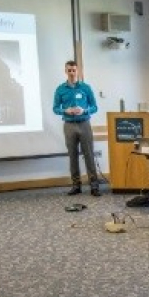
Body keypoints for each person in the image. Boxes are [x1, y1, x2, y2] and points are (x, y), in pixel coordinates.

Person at [52, 60, 101, 196]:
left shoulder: (85, 88)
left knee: (89, 155)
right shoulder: (60, 89)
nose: (72, 73)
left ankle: (94, 185)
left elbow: (95, 107)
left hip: (84, 123)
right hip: (69, 125)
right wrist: (65, 111)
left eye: (74, 70)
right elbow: (55, 108)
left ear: (77, 71)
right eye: (69, 71)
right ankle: (76, 185)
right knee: (72, 156)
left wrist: (84, 110)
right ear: (66, 71)